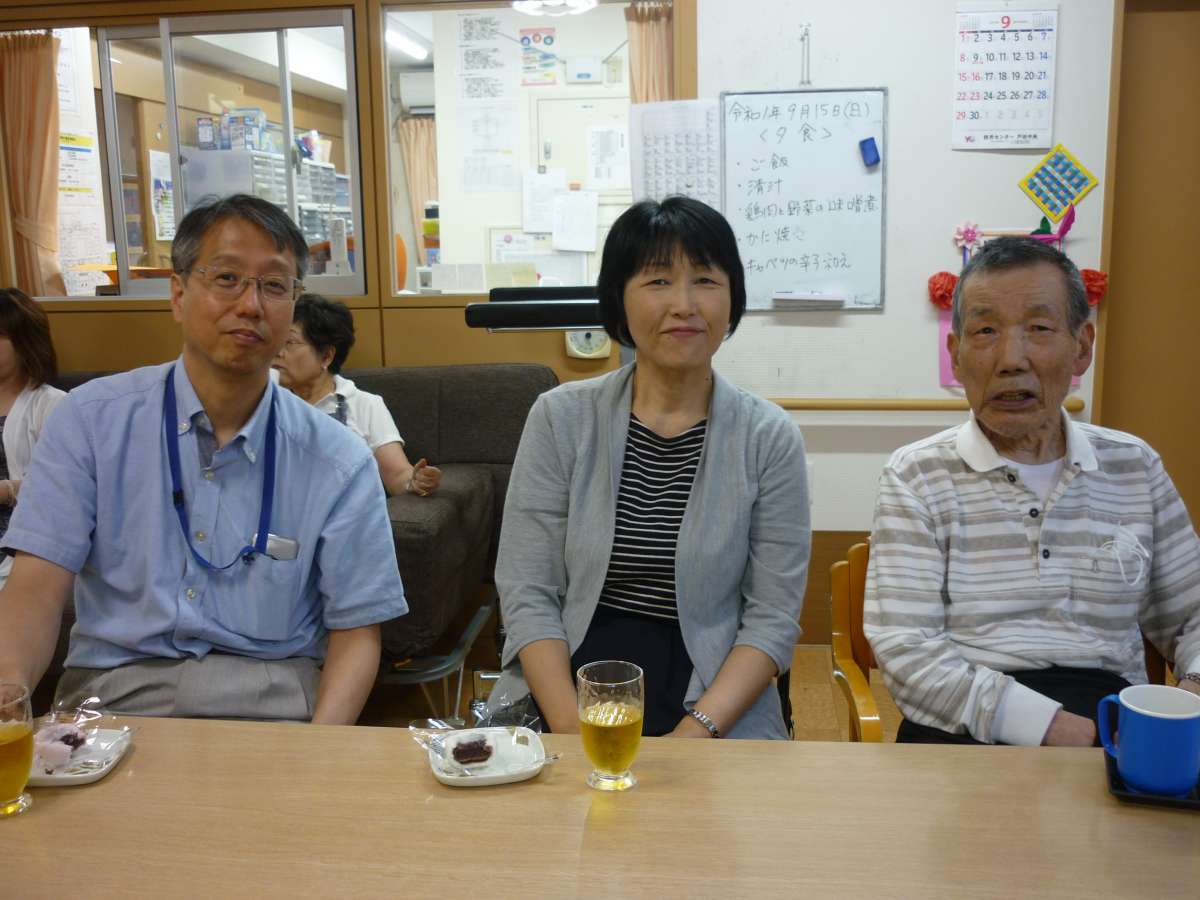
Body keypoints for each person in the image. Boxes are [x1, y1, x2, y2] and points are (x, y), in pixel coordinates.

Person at [0, 194, 407, 724]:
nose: (251, 304)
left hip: (276, 708)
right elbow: (35, 587)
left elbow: (357, 629)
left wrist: (319, 750)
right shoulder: (90, 421)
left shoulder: (339, 458)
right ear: (178, 294)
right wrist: (8, 699)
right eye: (227, 278)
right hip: (113, 704)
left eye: (274, 285)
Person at [492, 196, 810, 740]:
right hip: (569, 674)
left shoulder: (769, 436)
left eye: (705, 280)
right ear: (619, 299)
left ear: (732, 298)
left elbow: (772, 618)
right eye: (658, 281)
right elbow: (528, 589)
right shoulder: (560, 418)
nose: (684, 304)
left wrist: (694, 735)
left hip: (713, 688)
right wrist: (572, 730)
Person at [864, 237, 1200, 746]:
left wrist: (1191, 694)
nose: (1011, 359)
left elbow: (1192, 613)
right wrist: (1055, 731)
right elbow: (906, 647)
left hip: (1112, 720)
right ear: (956, 355)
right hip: (965, 722)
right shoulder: (916, 475)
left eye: (1039, 329)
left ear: (1082, 347)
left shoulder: (1134, 466)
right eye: (985, 331)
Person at [272, 293, 440, 497]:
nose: (277, 351)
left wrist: (415, 481)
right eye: (276, 339)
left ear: (326, 356)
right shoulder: (265, 403)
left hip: (345, 512)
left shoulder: (365, 405)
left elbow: (396, 475)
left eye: (289, 342)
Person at [0, 289, 65, 589]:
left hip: (23, 549)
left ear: (25, 342)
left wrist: (7, 490)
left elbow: (65, 486)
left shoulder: (53, 405)